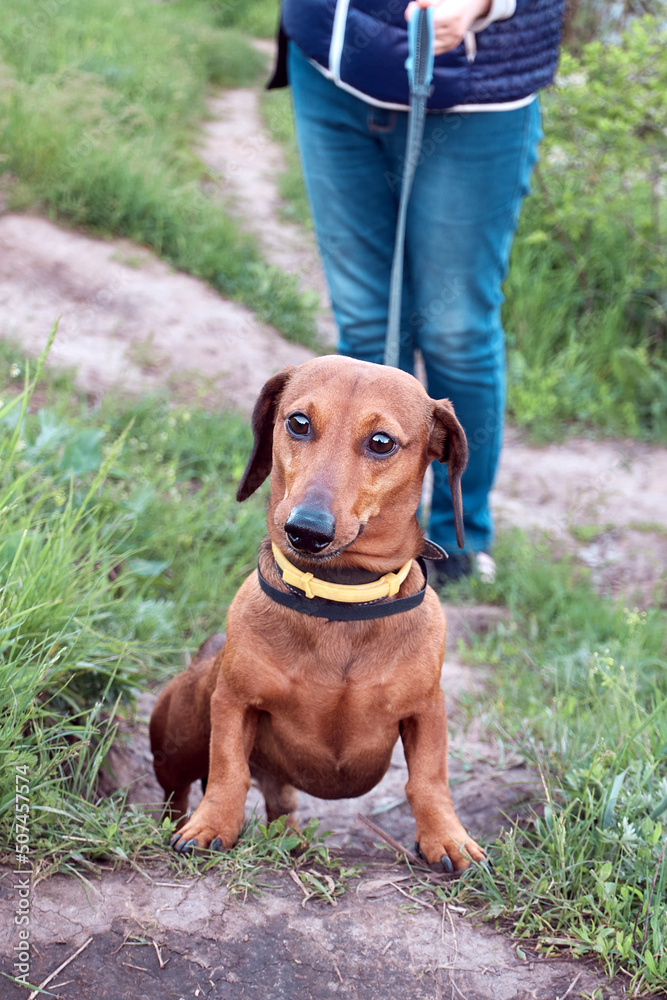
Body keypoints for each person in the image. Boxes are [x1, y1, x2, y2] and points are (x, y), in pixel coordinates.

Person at [268, 0, 565, 584]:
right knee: (366, 323)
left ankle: (458, 536)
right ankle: (349, 532)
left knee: (456, 328)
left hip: (477, 93)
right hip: (332, 64)